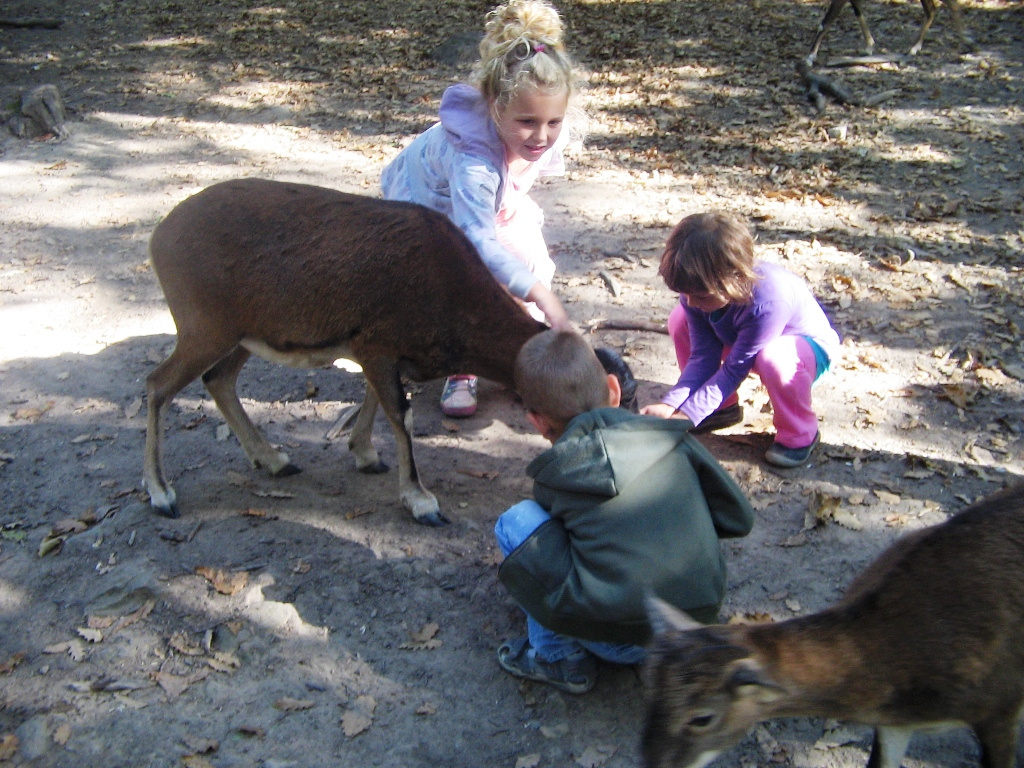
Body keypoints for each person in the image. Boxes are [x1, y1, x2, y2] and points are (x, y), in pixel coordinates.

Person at [494, 329, 754, 694]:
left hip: (616, 641)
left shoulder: (553, 476)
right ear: (614, 390)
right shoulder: (673, 438)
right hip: (692, 622)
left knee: (517, 523)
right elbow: (739, 519)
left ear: (536, 421)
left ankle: (557, 657)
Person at [381, 0, 579, 418]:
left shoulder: (541, 124)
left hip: (490, 203)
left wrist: (532, 286)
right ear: (494, 106)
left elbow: (516, 181)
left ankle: (525, 360)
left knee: (529, 262)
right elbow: (476, 239)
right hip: (433, 209)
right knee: (468, 278)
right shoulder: (473, 164)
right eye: (528, 122)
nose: (542, 136)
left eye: (553, 123)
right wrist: (542, 296)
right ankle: (462, 365)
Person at [641, 212, 841, 468]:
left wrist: (688, 415)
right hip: (743, 341)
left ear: (735, 278)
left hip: (804, 354)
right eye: (685, 293)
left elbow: (735, 369)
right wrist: (671, 404)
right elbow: (703, 356)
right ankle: (722, 408)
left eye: (700, 296)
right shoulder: (699, 290)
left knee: (774, 357)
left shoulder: (768, 303)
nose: (691, 302)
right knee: (680, 321)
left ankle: (801, 433)